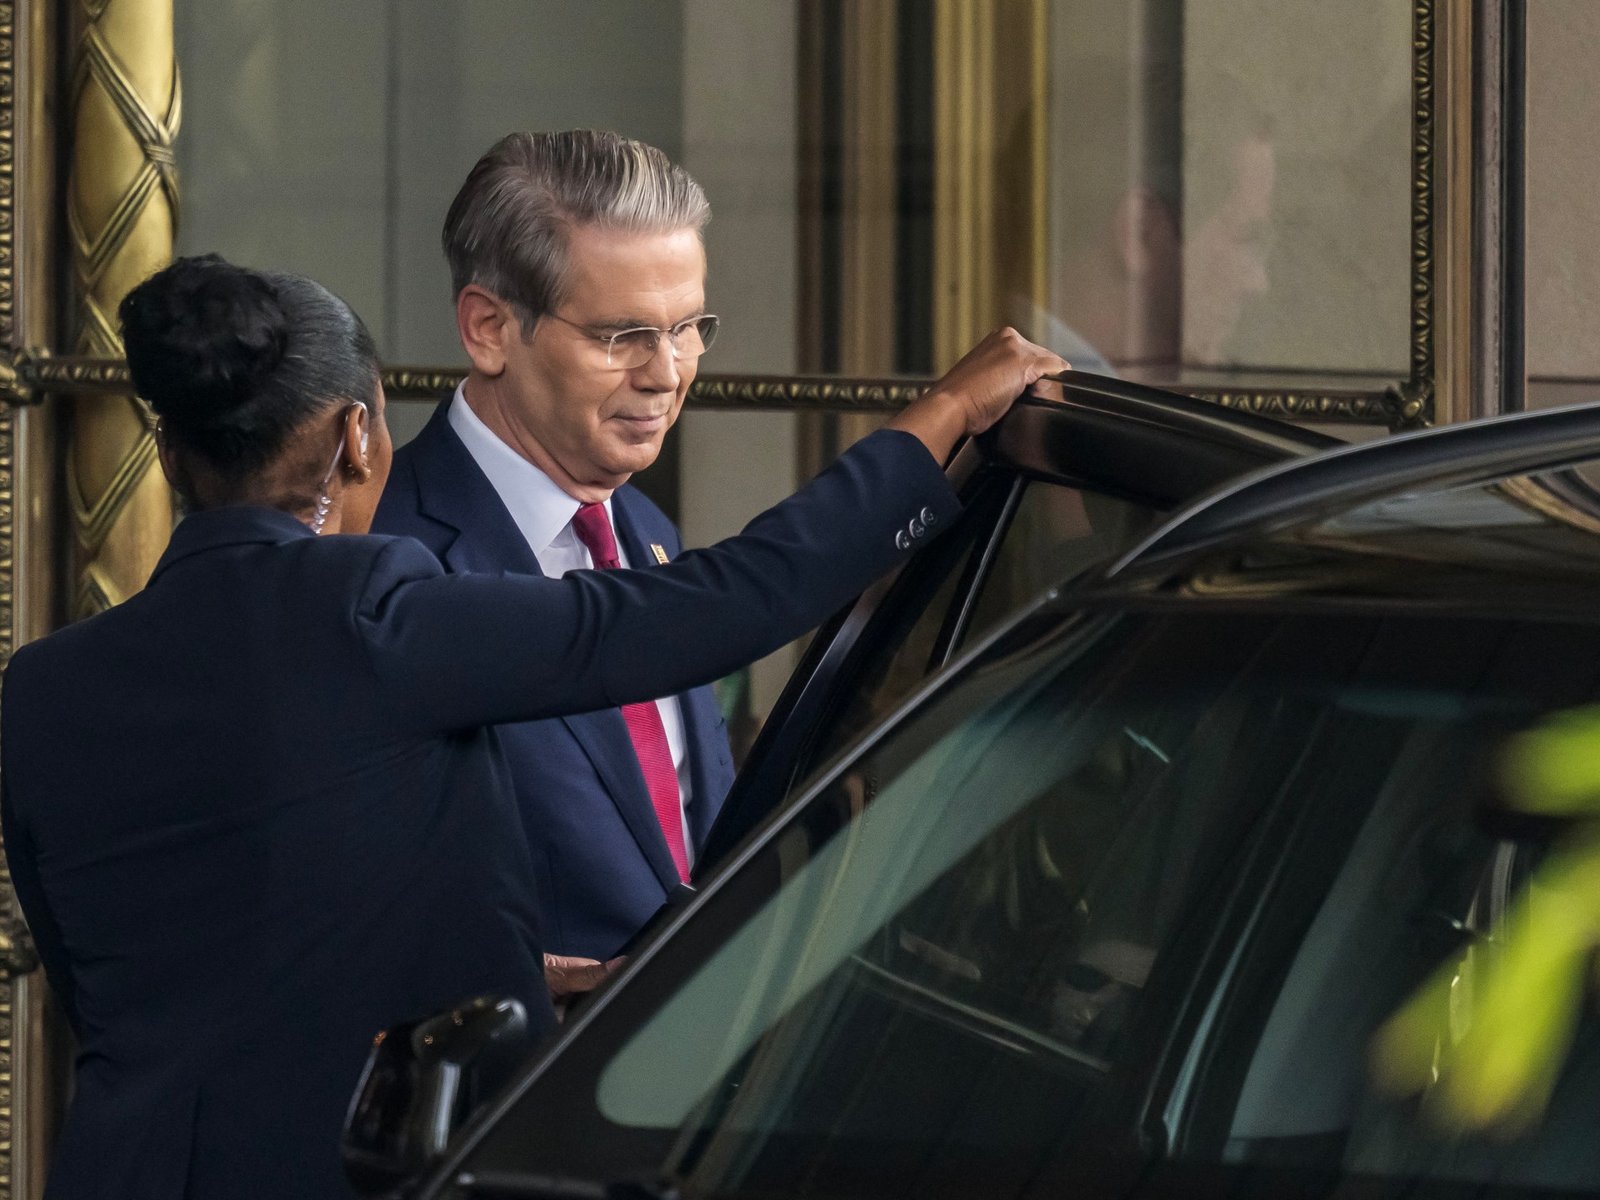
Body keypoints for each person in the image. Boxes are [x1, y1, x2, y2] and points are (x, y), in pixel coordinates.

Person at [0, 254, 1064, 1199]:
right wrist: (939, 420)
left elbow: (154, 966)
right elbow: (718, 607)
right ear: (356, 434)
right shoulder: (375, 612)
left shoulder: (41, 689)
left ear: (171, 456)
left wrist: (490, 964)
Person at [369, 133, 749, 974]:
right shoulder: (386, 560)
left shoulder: (647, 530)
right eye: (623, 336)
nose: (669, 373)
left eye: (689, 328)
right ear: (489, 328)